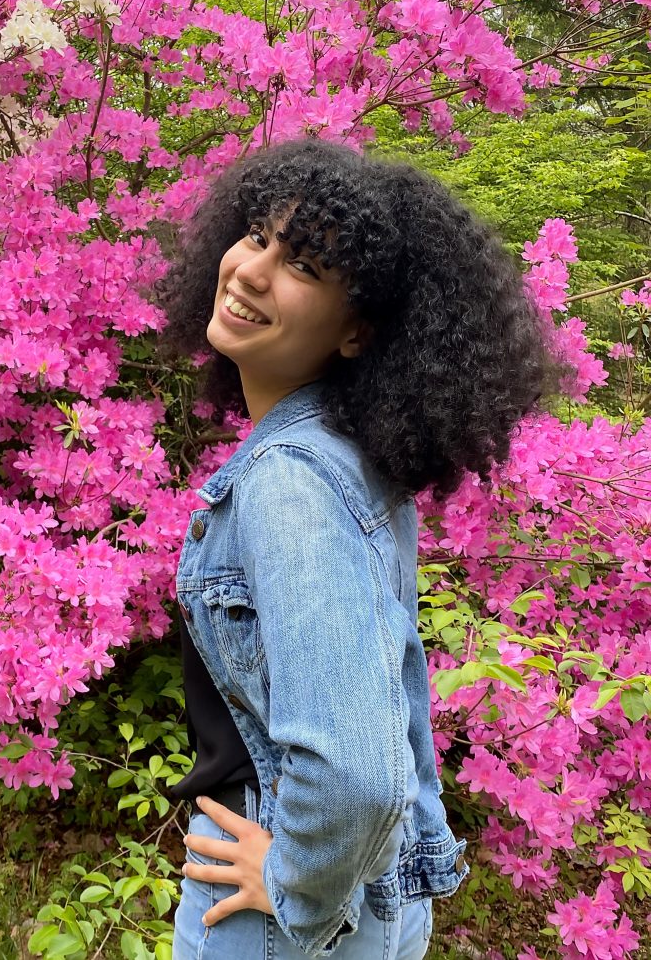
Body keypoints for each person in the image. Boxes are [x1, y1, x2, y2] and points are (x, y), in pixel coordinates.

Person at [153, 137, 572, 959]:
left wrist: (293, 884)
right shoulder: (347, 456)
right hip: (367, 902)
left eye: (304, 265)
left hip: (281, 916)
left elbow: (355, 772)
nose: (249, 270)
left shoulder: (293, 479)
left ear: (357, 333)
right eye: (257, 236)